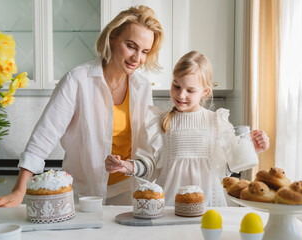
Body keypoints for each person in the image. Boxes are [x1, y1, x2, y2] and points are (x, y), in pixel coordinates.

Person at [0, 5, 164, 213]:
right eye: (131, 46)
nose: (137, 58)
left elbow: (145, 145)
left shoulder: (142, 87)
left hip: (127, 191)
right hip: (83, 194)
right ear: (112, 38)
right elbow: (43, 136)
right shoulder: (77, 80)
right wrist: (19, 189)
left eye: (145, 51)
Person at [105, 51, 270, 206]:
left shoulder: (216, 122)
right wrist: (126, 166)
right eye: (176, 86)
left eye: (190, 90)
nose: (181, 95)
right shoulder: (159, 122)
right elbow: (149, 167)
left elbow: (223, 170)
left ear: (205, 92)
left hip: (209, 206)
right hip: (170, 206)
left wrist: (252, 148)